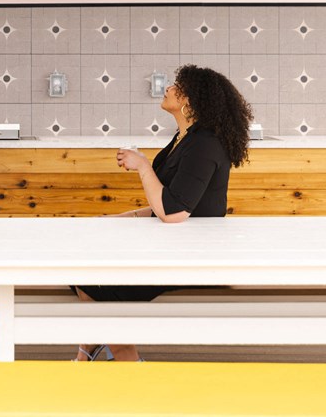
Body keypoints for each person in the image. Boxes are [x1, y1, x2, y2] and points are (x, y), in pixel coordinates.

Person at [73, 64, 253, 361]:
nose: (168, 88)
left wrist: (142, 165)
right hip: (172, 245)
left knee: (95, 278)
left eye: (175, 86)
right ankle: (99, 347)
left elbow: (173, 212)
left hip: (191, 255)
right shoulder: (185, 138)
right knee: (84, 264)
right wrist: (122, 219)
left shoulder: (204, 144)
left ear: (188, 100)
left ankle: (118, 353)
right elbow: (169, 202)